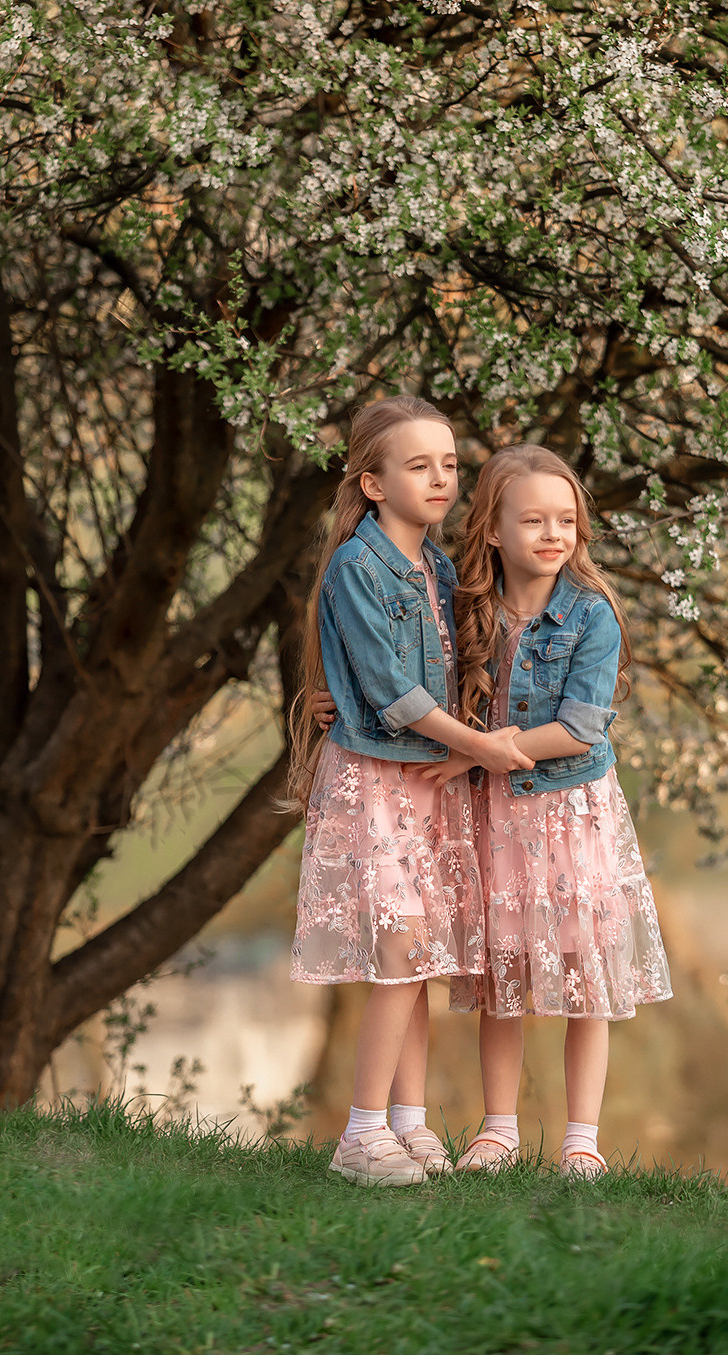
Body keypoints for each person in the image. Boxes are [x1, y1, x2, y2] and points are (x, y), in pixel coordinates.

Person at [287, 396, 535, 1188]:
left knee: (416, 951)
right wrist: (483, 749)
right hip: (376, 783)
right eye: (419, 465)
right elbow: (394, 696)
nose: (440, 479)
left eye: (451, 464)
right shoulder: (359, 566)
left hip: (424, 785)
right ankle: (359, 1134)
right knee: (396, 950)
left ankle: (409, 1121)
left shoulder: (435, 565)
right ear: (371, 482)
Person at [419, 444, 674, 1179]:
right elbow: (416, 684)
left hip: (569, 817)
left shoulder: (592, 616)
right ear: (493, 530)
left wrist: (475, 753)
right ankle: (498, 1131)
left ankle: (581, 1140)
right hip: (496, 822)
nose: (552, 533)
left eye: (565, 519)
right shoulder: (469, 611)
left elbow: (581, 727)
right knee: (505, 975)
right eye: (533, 519)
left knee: (581, 976)